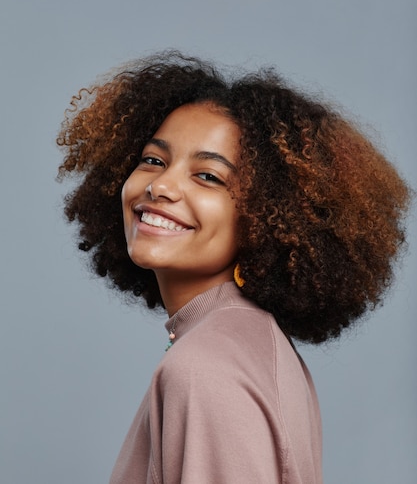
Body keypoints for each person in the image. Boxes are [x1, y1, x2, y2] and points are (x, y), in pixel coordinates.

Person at [57, 50, 410, 484]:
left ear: (267, 216)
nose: (161, 185)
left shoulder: (205, 367)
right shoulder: (248, 343)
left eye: (208, 176)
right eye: (153, 159)